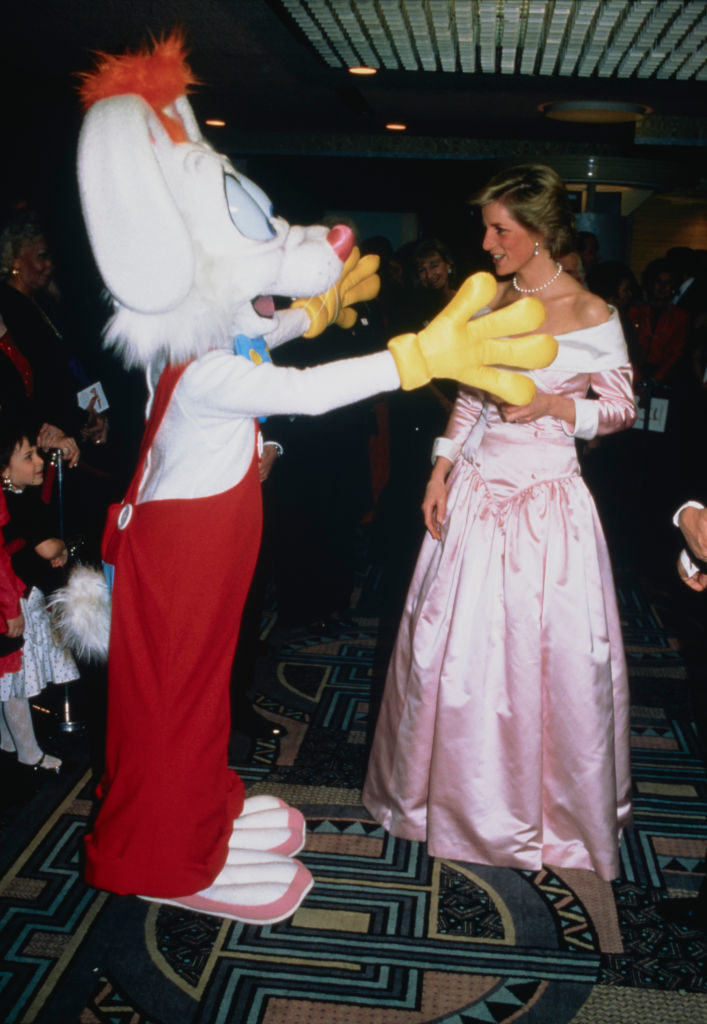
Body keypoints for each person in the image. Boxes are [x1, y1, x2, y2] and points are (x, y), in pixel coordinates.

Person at [363, 164, 636, 881]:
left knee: (545, 661)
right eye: (486, 227)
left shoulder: (590, 313)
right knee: (456, 654)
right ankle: (445, 804)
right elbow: (468, 397)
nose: (485, 242)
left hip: (548, 502)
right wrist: (440, 466)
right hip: (480, 493)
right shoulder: (490, 302)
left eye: (499, 229)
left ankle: (544, 818)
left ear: (540, 233)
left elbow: (619, 410)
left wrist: (553, 408)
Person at [0, 421, 80, 772]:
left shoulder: (17, 494)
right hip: (11, 599)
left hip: (17, 594)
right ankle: (28, 755)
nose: (39, 461)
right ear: (5, 469)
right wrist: (62, 547)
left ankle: (6, 740)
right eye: (28, 456)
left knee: (5, 679)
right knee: (13, 679)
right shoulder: (14, 502)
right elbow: (44, 546)